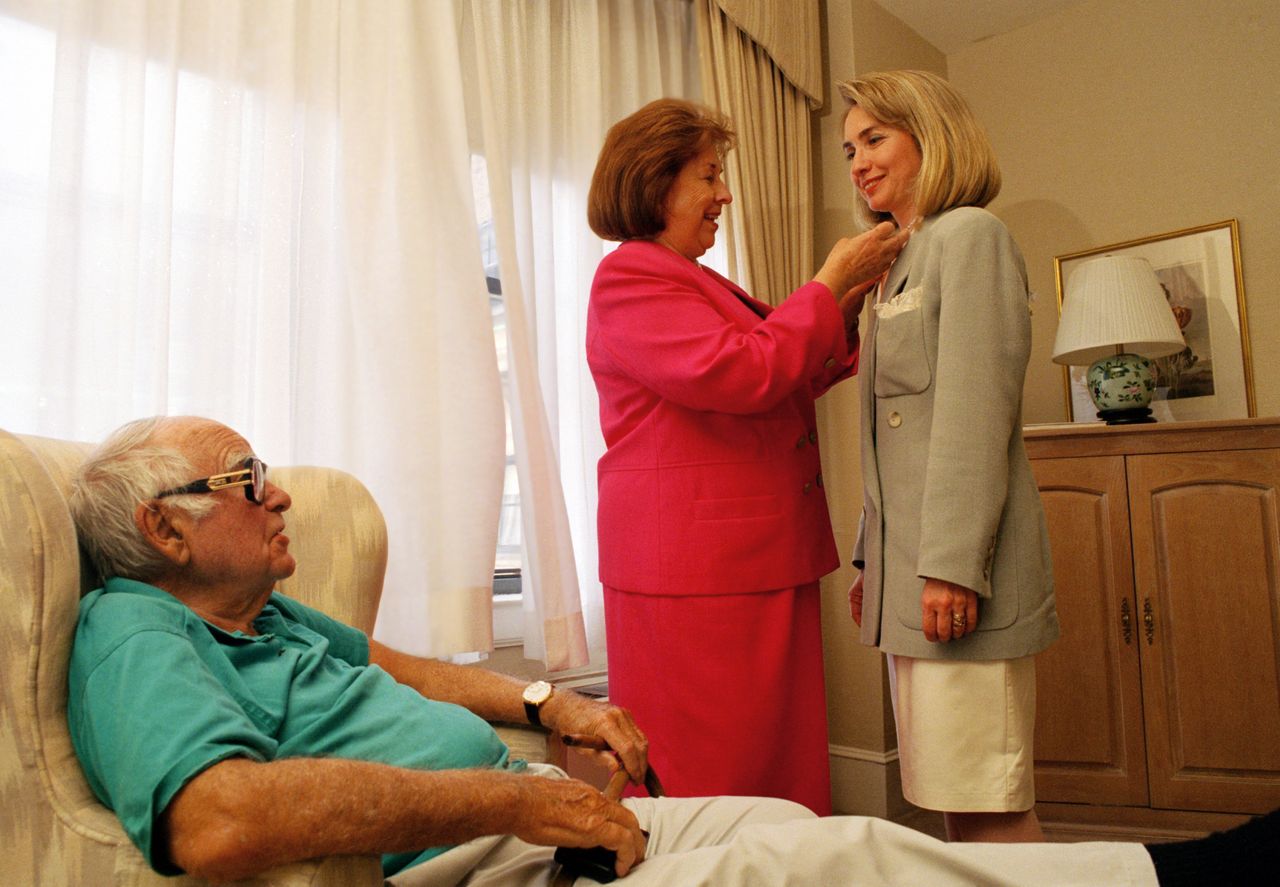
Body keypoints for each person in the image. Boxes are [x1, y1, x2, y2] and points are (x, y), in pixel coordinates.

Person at [65, 414, 1276, 886]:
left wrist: (549, 701)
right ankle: (1185, 876)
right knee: (844, 853)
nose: (278, 498)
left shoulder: (265, 613)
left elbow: (407, 668)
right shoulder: (138, 631)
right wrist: (509, 796)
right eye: (246, 481)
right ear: (165, 524)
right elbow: (215, 821)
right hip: (477, 860)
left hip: (521, 810)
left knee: (790, 818)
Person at [584, 97, 909, 815]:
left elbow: (776, 375)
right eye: (709, 175)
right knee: (715, 777)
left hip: (749, 556)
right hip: (696, 574)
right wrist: (826, 283)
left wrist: (845, 303)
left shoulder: (690, 277)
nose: (725, 193)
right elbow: (743, 372)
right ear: (655, 183)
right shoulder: (630, 276)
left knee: (773, 768)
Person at [839, 69, 1059, 843]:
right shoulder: (897, 264)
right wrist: (877, 561)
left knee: (987, 798)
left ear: (929, 135)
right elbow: (891, 439)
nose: (859, 161)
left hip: (955, 574)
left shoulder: (971, 236)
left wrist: (951, 565)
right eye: (849, 149)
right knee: (953, 793)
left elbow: (972, 415)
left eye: (874, 139)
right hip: (913, 576)